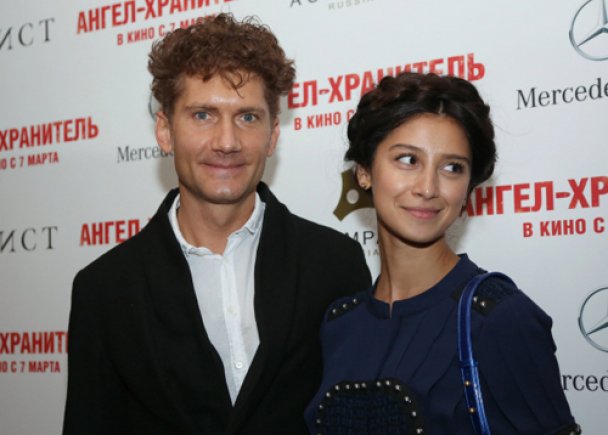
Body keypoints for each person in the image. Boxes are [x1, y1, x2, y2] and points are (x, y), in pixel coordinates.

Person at [63, 13, 370, 434]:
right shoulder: (104, 289)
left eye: (247, 117)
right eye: (203, 115)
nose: (227, 142)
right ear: (165, 131)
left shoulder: (335, 264)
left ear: (273, 135)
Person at [305, 72, 580, 434]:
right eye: (408, 160)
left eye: (452, 168)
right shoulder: (339, 322)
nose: (428, 188)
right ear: (364, 172)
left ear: (467, 189)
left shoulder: (499, 318)